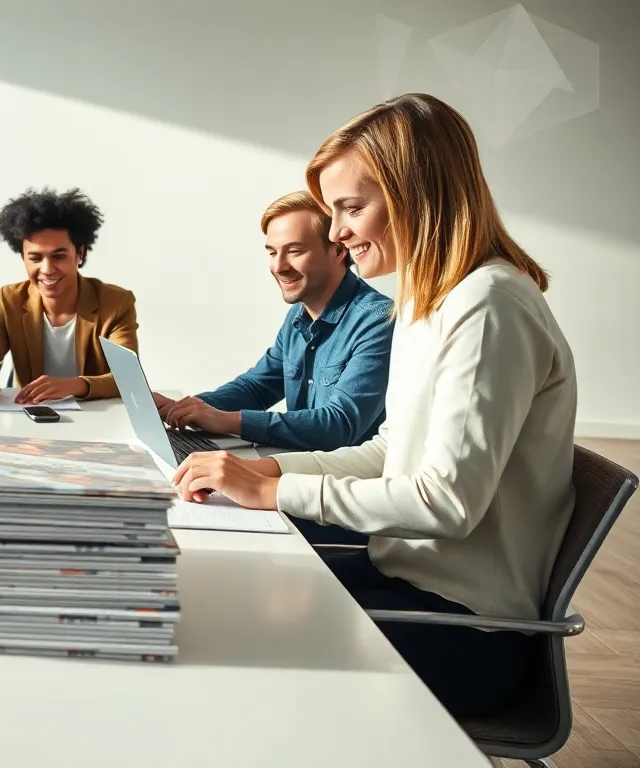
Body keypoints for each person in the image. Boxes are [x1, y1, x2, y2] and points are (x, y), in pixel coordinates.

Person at [170, 93, 577, 718]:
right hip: (402, 587)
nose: (336, 232)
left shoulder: (490, 305)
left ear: (417, 194)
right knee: (203, 594)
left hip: (467, 630)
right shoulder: (427, 300)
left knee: (217, 638)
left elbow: (447, 502)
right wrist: (266, 471)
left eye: (352, 208)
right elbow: (393, 450)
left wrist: (274, 492)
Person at [153, 192, 392, 453]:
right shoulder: (299, 314)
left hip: (343, 475)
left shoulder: (378, 320)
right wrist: (183, 409)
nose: (278, 266)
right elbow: (257, 388)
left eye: (294, 251)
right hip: (297, 464)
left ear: (338, 250)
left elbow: (340, 425)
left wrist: (228, 421)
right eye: (272, 252)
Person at [0, 187, 138, 406]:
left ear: (79, 254)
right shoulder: (9, 301)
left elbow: (129, 378)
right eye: (35, 258)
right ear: (23, 258)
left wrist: (73, 385)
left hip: (97, 420)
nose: (47, 269)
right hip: (30, 420)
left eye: (59, 256)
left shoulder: (115, 303)